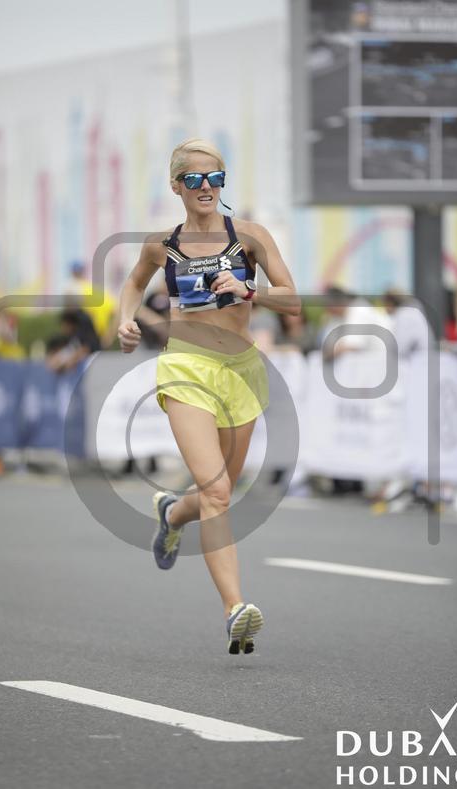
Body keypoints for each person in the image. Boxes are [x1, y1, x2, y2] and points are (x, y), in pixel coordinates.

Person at [117, 138, 300, 654]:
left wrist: (249, 290)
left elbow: (293, 300)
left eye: (215, 178)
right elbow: (133, 284)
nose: (206, 187)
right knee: (217, 492)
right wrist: (125, 320)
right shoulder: (162, 244)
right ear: (176, 186)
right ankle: (235, 608)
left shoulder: (250, 237)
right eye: (194, 179)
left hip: (242, 372)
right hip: (186, 368)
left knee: (221, 491)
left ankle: (174, 514)